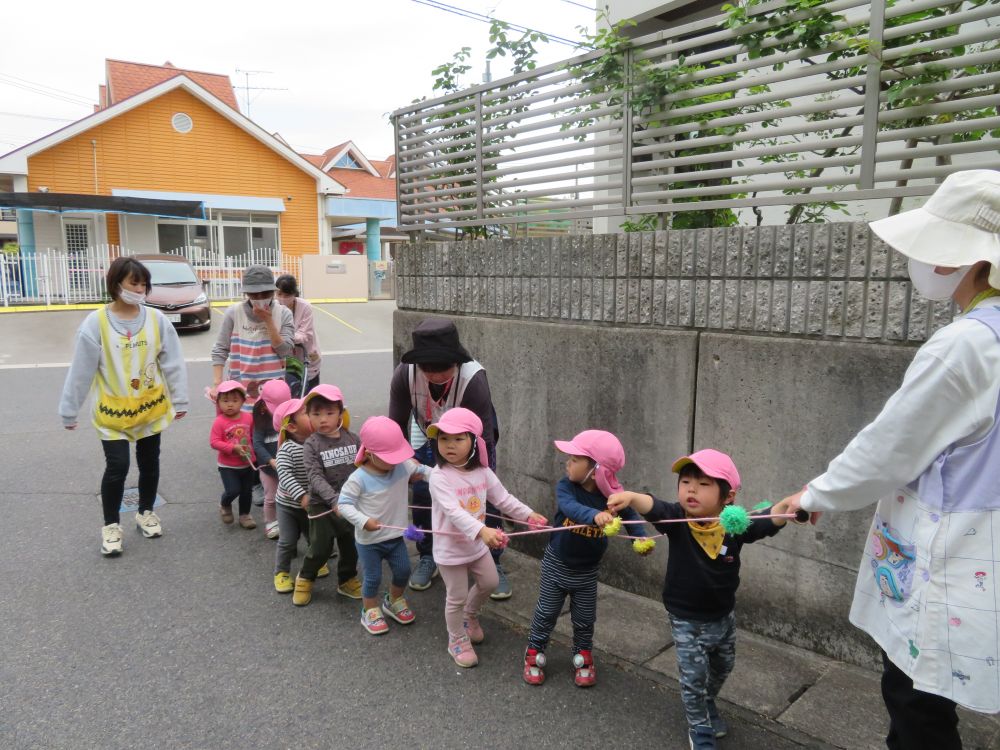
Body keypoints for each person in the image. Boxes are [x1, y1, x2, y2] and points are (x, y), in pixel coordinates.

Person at [780, 170, 1000, 749]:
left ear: (968, 260)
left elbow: (890, 446)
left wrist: (814, 495)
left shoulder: (966, 345)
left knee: (917, 704)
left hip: (952, 555)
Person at [609, 450, 791, 750]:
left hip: (723, 615)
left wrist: (789, 506)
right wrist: (630, 496)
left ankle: (708, 702)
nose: (691, 489)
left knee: (723, 665)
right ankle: (699, 727)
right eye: (686, 481)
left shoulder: (734, 526)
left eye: (704, 484)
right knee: (694, 676)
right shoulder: (677, 520)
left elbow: (768, 519)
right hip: (685, 616)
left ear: (727, 496)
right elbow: (653, 505)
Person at [59, 256, 188, 556]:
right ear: (116, 284)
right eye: (134, 282)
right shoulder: (96, 323)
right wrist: (69, 409)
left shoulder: (157, 320)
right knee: (117, 467)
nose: (141, 288)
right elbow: (81, 371)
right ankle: (111, 526)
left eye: (144, 283)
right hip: (112, 414)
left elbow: (173, 363)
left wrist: (180, 399)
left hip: (150, 407)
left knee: (150, 462)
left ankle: (145, 512)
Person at [388, 317, 511, 597]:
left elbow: (484, 441)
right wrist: (406, 465)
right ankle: (428, 552)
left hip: (470, 436)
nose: (435, 375)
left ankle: (493, 559)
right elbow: (395, 428)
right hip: (428, 428)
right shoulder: (404, 375)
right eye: (427, 368)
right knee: (422, 490)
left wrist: (478, 477)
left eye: (442, 367)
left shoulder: (473, 378)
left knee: (482, 494)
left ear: (456, 361)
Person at [523, 430, 650, 688]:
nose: (567, 463)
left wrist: (640, 539)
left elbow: (631, 516)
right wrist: (594, 515)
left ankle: (583, 654)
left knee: (584, 617)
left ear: (595, 469)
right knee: (547, 611)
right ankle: (534, 651)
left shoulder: (613, 497)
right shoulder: (566, 486)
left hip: (587, 571)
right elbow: (569, 507)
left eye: (573, 459)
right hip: (556, 563)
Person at [428, 408, 547, 668]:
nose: (449, 445)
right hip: (451, 550)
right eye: (443, 438)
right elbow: (453, 511)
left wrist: (528, 515)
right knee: (455, 596)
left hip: (477, 545)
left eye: (458, 439)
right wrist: (482, 531)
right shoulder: (439, 476)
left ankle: (469, 617)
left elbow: (503, 499)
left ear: (473, 442)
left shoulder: (483, 472)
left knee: (491, 582)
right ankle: (456, 638)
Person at [337, 416, 431, 635]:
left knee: (403, 570)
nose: (396, 461)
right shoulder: (358, 479)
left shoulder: (401, 466)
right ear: (369, 453)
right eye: (390, 457)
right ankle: (369, 610)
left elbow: (424, 471)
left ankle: (394, 600)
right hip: (369, 541)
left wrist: (443, 479)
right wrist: (363, 521)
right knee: (372, 577)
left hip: (395, 538)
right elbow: (343, 505)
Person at [298, 384, 362, 606]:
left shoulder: (354, 439)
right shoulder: (311, 445)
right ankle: (305, 578)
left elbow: (364, 468)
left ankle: (347, 580)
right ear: (308, 416)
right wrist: (335, 500)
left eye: (329, 413)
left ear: (340, 414)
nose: (323, 419)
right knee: (320, 548)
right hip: (322, 506)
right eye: (316, 413)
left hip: (350, 504)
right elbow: (314, 477)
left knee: (351, 545)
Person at [210, 265, 294, 410]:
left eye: (266, 293)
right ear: (246, 293)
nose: (260, 298)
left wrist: (268, 321)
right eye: (254, 294)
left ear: (273, 292)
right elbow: (220, 349)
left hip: (273, 393)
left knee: (271, 430)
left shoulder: (283, 313)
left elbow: (285, 351)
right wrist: (217, 384)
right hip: (239, 391)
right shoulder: (234, 313)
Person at [272, 397, 329, 593]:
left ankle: (314, 563)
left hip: (312, 505)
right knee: (288, 541)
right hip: (288, 505)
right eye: (307, 413)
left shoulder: (318, 443)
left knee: (313, 537)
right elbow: (285, 476)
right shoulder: (287, 450)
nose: (313, 414)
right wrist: (302, 496)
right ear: (293, 427)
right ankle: (281, 572)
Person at [209, 380, 257, 529]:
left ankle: (245, 515)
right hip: (227, 465)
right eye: (225, 401)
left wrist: (256, 455)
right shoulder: (219, 422)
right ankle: (225, 503)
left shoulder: (249, 417)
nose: (230, 404)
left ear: (243, 401)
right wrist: (232, 447)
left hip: (248, 462)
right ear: (218, 403)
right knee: (233, 490)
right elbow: (214, 442)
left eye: (235, 400)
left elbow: (254, 436)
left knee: (247, 491)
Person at [252, 379, 291, 540]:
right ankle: (270, 522)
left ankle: (288, 521)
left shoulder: (290, 419)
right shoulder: (261, 423)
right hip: (268, 467)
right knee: (271, 496)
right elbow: (257, 444)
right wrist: (270, 460)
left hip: (287, 465)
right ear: (263, 405)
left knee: (289, 494)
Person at [275, 274, 321, 393]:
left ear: (294, 294)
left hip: (306, 354)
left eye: (287, 295)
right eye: (279, 294)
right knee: (287, 390)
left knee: (308, 389)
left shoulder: (305, 307)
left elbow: (305, 334)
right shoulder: (273, 307)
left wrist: (282, 338)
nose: (282, 298)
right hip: (285, 357)